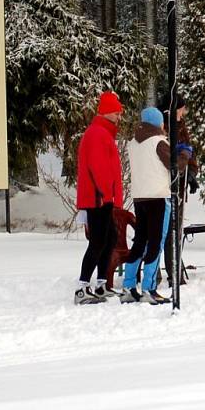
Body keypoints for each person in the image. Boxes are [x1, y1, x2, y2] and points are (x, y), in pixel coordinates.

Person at [120, 107, 184, 304]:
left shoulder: (133, 143)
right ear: (158, 123)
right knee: (156, 242)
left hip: (140, 197)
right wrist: (185, 156)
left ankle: (129, 286)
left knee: (140, 241)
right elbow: (174, 167)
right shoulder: (158, 142)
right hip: (158, 196)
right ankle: (149, 288)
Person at [74, 91, 125, 305]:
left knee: (109, 239)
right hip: (97, 198)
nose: (119, 117)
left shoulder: (103, 133)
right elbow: (98, 167)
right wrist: (106, 192)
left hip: (102, 198)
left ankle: (101, 284)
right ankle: (82, 288)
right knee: (97, 242)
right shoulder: (97, 134)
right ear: (107, 112)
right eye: (116, 112)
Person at [158, 92, 199, 287]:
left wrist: (192, 172)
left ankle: (174, 268)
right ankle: (168, 270)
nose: (184, 112)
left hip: (179, 182)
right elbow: (175, 154)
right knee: (164, 228)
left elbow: (189, 150)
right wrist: (185, 162)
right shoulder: (162, 128)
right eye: (181, 108)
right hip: (164, 185)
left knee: (174, 227)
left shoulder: (181, 127)